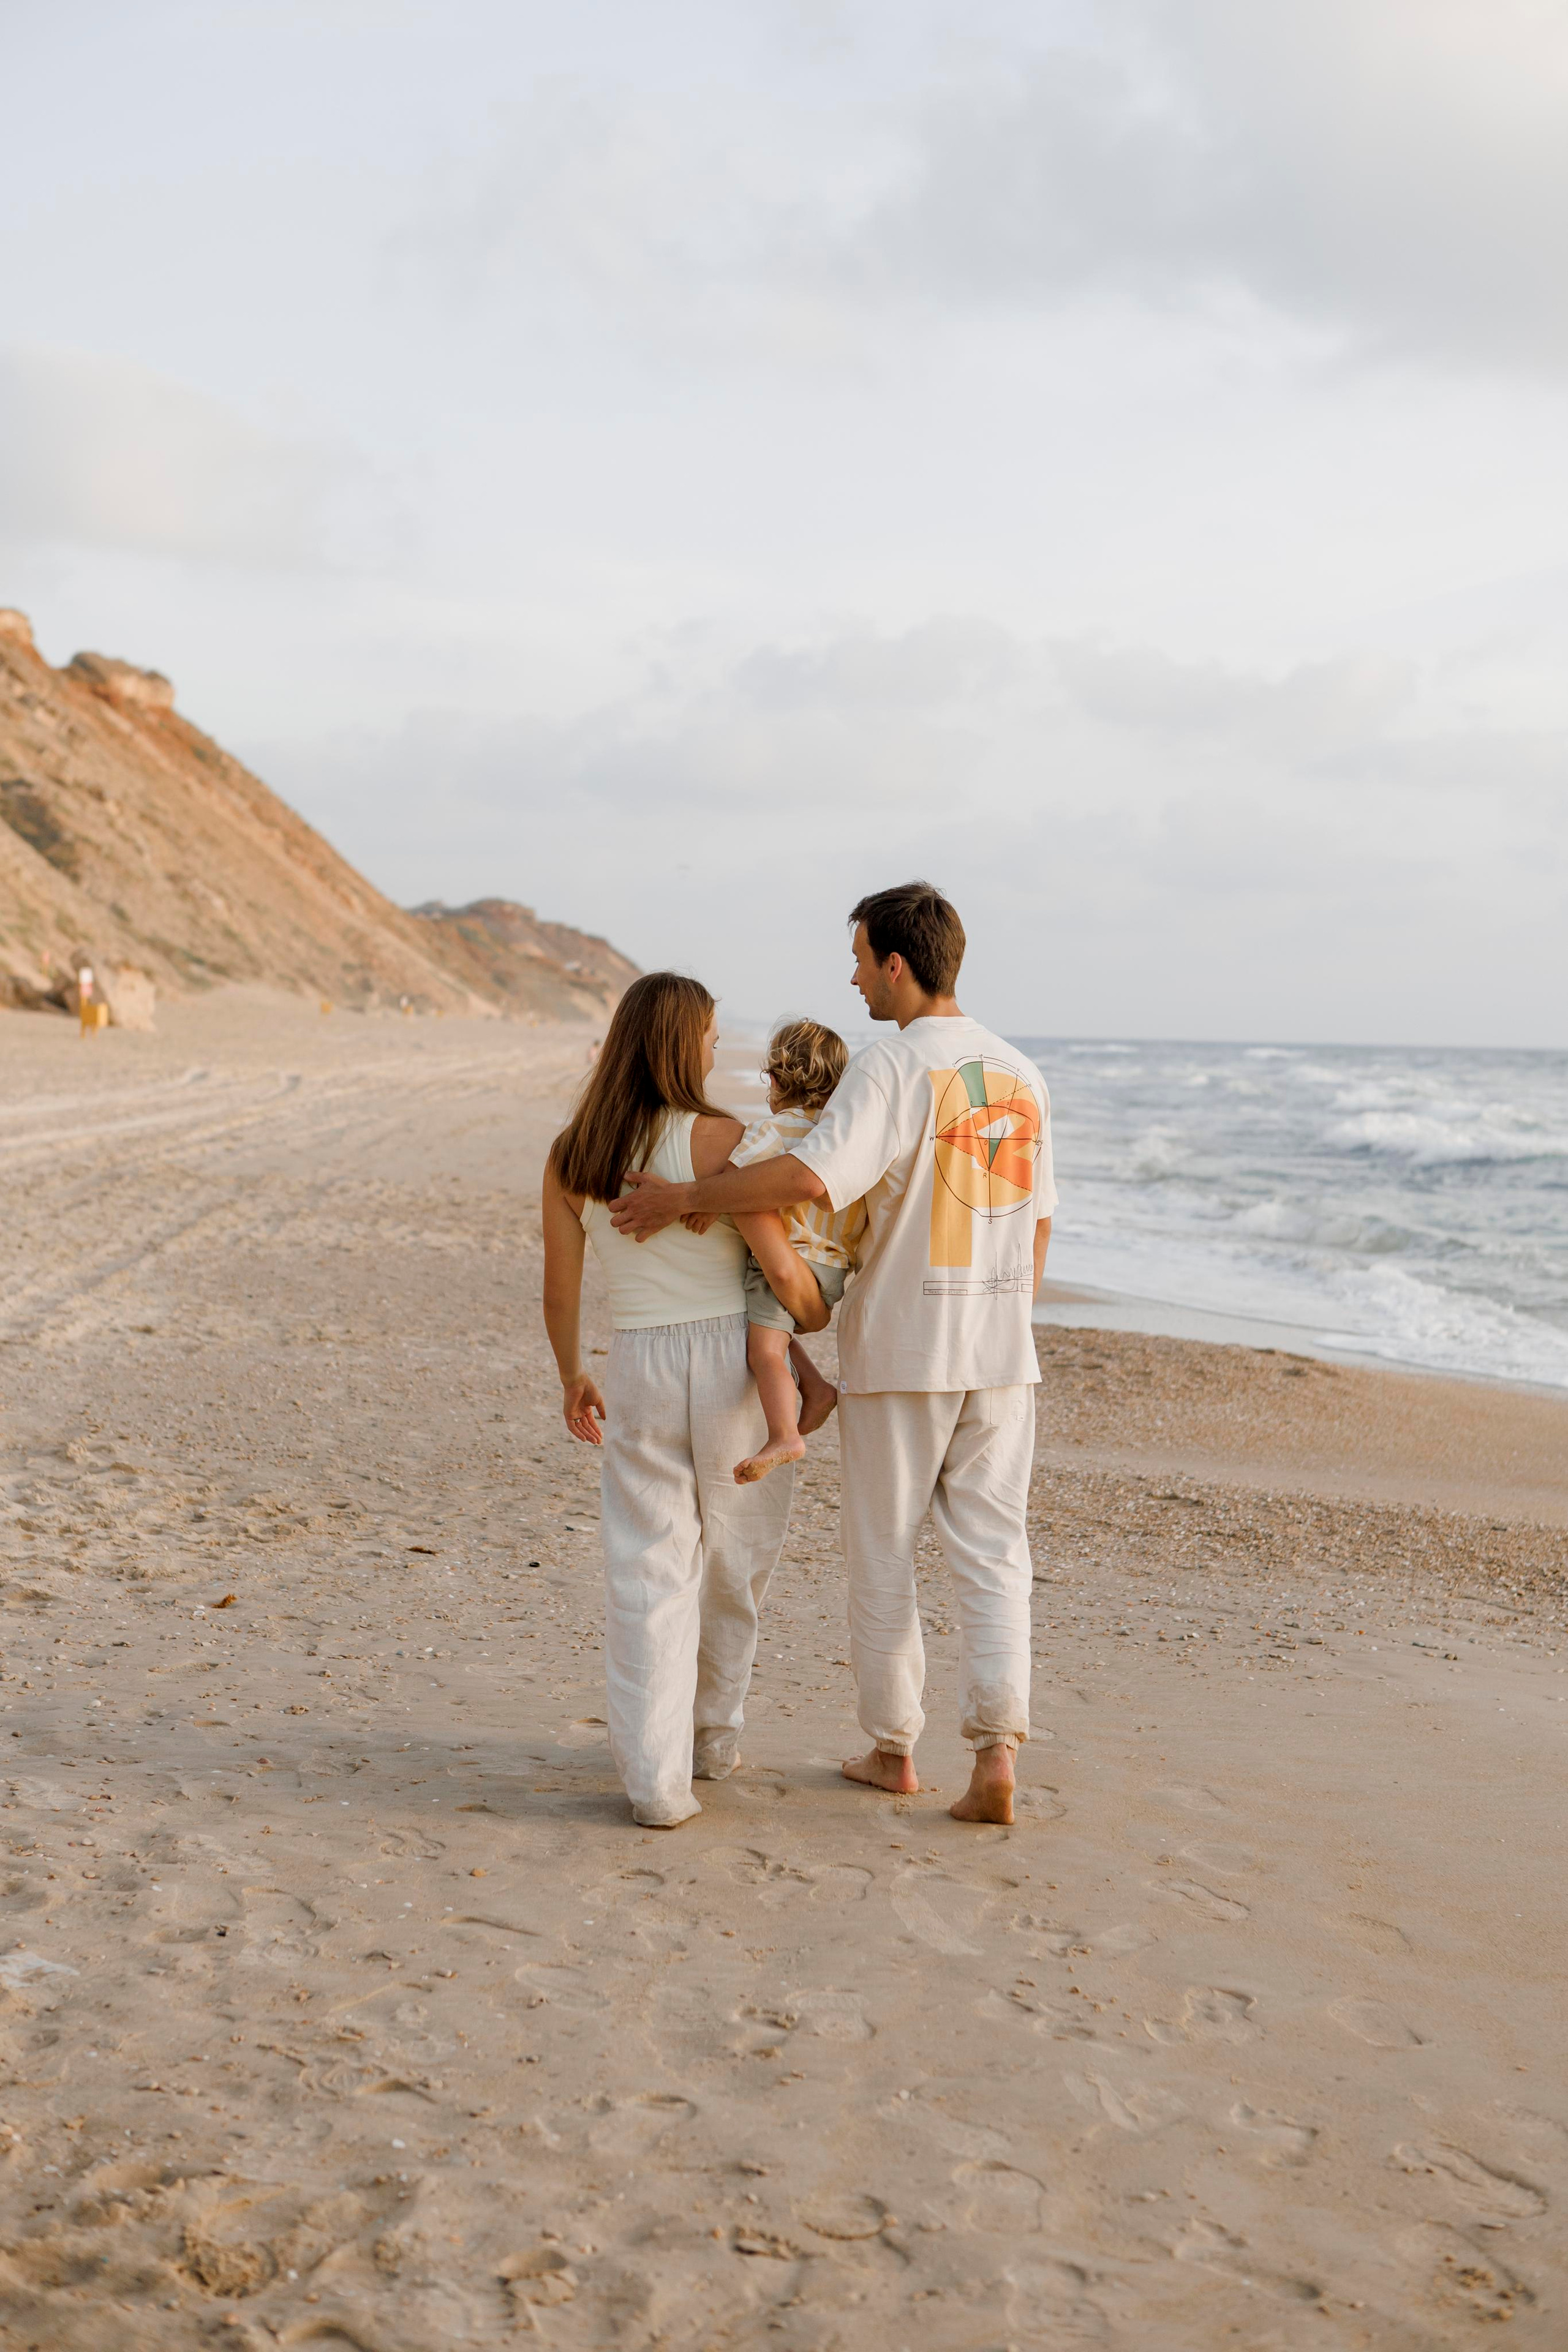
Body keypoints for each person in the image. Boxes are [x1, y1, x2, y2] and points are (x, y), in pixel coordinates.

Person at [609, 883, 1056, 1826]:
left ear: (897, 963)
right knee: (994, 1557)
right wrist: (1003, 1316)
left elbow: (811, 1176)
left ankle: (895, 1751)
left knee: (884, 1557)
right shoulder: (1022, 1073)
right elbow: (1039, 1228)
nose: (853, 978)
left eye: (859, 959)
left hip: (906, 1348)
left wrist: (683, 1195)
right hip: (1004, 1354)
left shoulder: (894, 1068)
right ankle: (997, 1755)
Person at [541, 971, 828, 1828]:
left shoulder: (573, 1151)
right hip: (733, 1360)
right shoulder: (721, 1142)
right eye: (708, 1033)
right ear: (680, 1043)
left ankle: (655, 1781)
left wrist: (571, 1374)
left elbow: (560, 1290)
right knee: (736, 1560)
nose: (714, 1046)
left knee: (648, 1569)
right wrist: (817, 1312)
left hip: (638, 1359)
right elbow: (779, 1270)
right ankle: (713, 1738)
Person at [729, 1018, 867, 1487]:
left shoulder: (776, 1130)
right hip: (833, 1272)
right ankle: (816, 1387)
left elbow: (730, 1183)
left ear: (777, 1077)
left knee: (764, 1351)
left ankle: (783, 1434)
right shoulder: (843, 1140)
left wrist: (687, 1200)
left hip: (789, 1260)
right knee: (781, 1330)